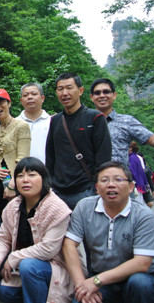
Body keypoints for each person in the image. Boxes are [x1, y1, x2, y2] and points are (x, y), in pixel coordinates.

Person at [63, 161, 154, 303]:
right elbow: (69, 244)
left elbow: (142, 262)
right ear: (97, 188)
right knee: (83, 298)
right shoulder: (84, 207)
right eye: (104, 180)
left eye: (118, 179)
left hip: (141, 278)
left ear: (131, 187)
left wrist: (96, 281)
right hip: (102, 280)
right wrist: (81, 284)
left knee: (140, 284)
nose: (111, 185)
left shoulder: (143, 215)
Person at [0, 157, 74, 303]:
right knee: (4, 291)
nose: (25, 180)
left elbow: (48, 248)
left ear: (44, 179)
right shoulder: (13, 206)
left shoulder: (56, 208)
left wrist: (13, 258)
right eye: (20, 176)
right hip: (23, 269)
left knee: (28, 265)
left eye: (32, 175)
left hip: (54, 267)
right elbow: (3, 238)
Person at [45, 73, 112, 209]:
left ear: (80, 90)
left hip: (86, 190)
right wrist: (49, 185)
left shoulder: (95, 118)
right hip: (58, 192)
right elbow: (50, 157)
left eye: (69, 88)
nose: (65, 93)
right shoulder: (55, 120)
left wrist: (97, 186)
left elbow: (103, 157)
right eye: (60, 89)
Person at [90, 78, 154, 166]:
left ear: (114, 95)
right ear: (92, 97)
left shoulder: (127, 121)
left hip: (119, 173)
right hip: (90, 174)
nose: (102, 95)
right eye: (97, 93)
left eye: (106, 92)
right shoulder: (85, 121)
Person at [0, 88, 31, 213]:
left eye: (1, 102)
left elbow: (23, 158)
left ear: (9, 103)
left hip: (17, 183)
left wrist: (12, 185)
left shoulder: (21, 126)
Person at [16, 83, 51, 163]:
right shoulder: (15, 123)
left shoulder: (52, 122)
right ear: (21, 101)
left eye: (34, 94)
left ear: (42, 98)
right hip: (21, 169)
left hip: (48, 169)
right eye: (25, 95)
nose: (30, 97)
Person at [128, 142, 152, 206]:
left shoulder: (131, 158)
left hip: (135, 184)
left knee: (134, 204)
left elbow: (131, 171)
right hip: (140, 184)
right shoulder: (136, 157)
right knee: (139, 203)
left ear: (130, 148)